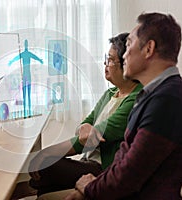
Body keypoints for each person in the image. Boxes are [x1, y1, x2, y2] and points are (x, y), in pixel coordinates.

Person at [39, 12, 182, 200]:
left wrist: (89, 189)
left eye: (129, 44)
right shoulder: (151, 94)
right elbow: (123, 158)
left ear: (149, 49)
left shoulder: (166, 100)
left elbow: (129, 174)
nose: (125, 55)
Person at [26, 33, 142, 197]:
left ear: (126, 64)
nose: (105, 64)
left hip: (103, 169)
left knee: (46, 164)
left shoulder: (135, 100)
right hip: (88, 162)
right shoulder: (110, 94)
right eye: (105, 58)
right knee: (47, 175)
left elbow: (90, 138)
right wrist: (85, 129)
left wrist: (46, 153)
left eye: (110, 60)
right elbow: (82, 128)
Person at [8, 39, 43, 117]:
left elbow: (35, 57)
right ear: (25, 45)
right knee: (25, 94)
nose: (26, 45)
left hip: (27, 74)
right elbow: (16, 58)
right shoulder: (23, 54)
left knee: (28, 94)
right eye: (26, 44)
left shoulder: (26, 54)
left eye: (27, 44)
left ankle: (29, 110)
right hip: (25, 75)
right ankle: (25, 111)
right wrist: (11, 61)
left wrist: (40, 60)